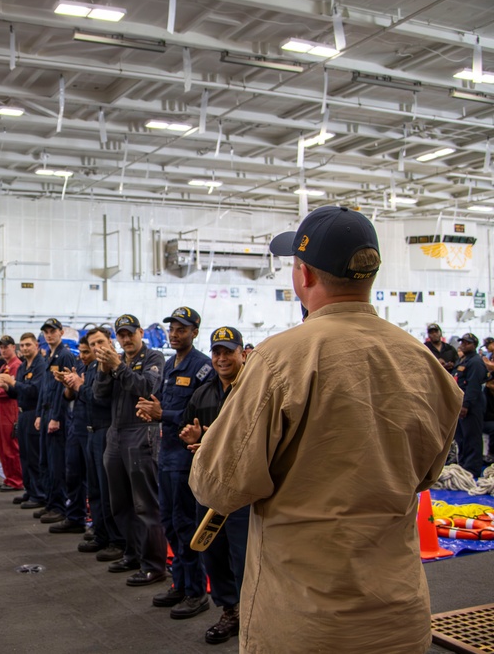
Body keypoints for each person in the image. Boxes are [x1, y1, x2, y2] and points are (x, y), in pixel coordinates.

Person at [190, 205, 463, 653]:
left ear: (305, 275)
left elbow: (218, 485)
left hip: (305, 619)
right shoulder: (425, 363)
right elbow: (427, 475)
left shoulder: (280, 360)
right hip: (399, 614)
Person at [139, 306, 214, 617]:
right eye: (172, 328)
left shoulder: (203, 368)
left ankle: (196, 593)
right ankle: (180, 585)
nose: (174, 333)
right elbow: (164, 406)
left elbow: (200, 415)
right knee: (169, 523)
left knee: (186, 527)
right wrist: (150, 409)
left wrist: (162, 415)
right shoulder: (170, 365)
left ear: (194, 332)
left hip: (186, 460)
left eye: (181, 329)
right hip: (166, 456)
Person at [178, 326, 249, 644]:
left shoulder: (253, 393)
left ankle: (253, 614)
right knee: (213, 551)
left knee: (245, 553)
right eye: (217, 352)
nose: (222, 358)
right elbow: (187, 431)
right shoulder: (202, 394)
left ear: (242, 353)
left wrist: (205, 442)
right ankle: (229, 610)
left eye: (228, 351)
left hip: (245, 490)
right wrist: (192, 440)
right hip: (209, 489)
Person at [94, 314, 167, 588]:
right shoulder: (116, 360)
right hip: (115, 433)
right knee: (120, 503)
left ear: (140, 332)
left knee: (145, 505)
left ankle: (154, 565)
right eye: (121, 335)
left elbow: (147, 388)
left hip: (140, 432)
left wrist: (118, 368)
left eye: (130, 334)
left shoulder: (154, 358)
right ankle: (133, 553)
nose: (126, 340)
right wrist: (104, 369)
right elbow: (99, 395)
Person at [71, 327, 124, 561]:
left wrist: (78, 386)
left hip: (106, 430)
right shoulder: (93, 367)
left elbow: (100, 398)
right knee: (95, 489)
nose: (95, 348)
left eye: (100, 342)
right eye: (92, 344)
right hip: (92, 432)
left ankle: (117, 540)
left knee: (108, 489)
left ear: (110, 341)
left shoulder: (114, 365)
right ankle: (102, 534)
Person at [0, 332, 46, 508]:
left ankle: (39, 494)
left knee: (34, 456)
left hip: (34, 413)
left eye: (28, 345)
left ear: (36, 346)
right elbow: (17, 393)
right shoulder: (23, 367)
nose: (24, 348)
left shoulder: (40, 366)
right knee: (24, 455)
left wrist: (13, 383)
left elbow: (35, 391)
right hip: (22, 413)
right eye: (22, 345)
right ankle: (30, 490)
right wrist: (7, 387)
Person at [33, 318, 77, 525]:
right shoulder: (49, 356)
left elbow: (63, 389)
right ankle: (51, 503)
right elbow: (45, 388)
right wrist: (40, 414)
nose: (49, 335)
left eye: (53, 331)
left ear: (61, 332)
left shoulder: (65, 356)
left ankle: (59, 506)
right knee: (46, 463)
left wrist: (55, 418)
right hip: (46, 413)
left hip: (57, 417)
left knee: (57, 464)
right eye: (46, 332)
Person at [51, 335, 93, 535]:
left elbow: (97, 398)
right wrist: (69, 386)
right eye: (82, 351)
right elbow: (70, 396)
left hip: (93, 429)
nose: (83, 356)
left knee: (93, 481)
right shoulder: (82, 368)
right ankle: (75, 517)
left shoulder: (102, 371)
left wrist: (79, 385)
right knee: (73, 474)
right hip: (77, 425)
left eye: (87, 351)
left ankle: (100, 529)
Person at [0, 336, 23, 492]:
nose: (3, 350)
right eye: (1, 347)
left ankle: (17, 480)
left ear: (13, 347)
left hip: (10, 409)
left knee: (11, 447)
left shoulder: (15, 366)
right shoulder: (5, 365)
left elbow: (8, 390)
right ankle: (10, 478)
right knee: (3, 446)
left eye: (6, 347)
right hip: (2, 409)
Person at [454, 333, 490, 478]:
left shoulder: (475, 362)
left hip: (472, 405)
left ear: (474, 345)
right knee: (462, 437)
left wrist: (465, 405)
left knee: (472, 437)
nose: (463, 345)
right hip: (462, 404)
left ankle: (472, 469)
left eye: (467, 343)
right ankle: (463, 465)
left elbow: (473, 386)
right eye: (462, 342)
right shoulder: (463, 360)